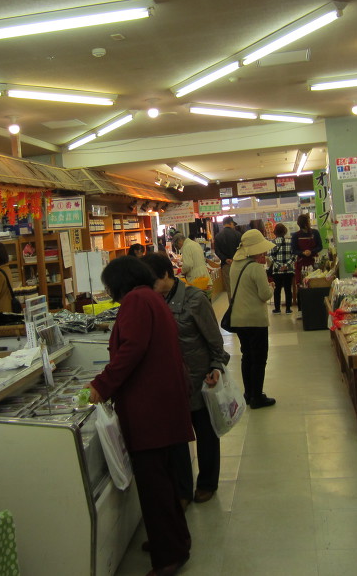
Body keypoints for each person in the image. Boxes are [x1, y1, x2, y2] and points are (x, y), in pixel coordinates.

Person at [87, 256, 193, 576]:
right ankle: (176, 541)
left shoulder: (135, 301)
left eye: (109, 286)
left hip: (149, 409)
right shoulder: (151, 297)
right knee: (165, 481)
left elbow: (131, 349)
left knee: (154, 486)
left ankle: (168, 556)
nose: (110, 293)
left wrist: (101, 385)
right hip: (164, 403)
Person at [140, 252, 230, 505]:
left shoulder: (195, 299)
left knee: (206, 434)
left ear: (166, 274)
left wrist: (216, 367)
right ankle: (182, 490)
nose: (149, 288)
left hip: (198, 378)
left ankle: (207, 483)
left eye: (152, 281)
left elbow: (215, 341)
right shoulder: (152, 302)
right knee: (177, 438)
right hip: (170, 382)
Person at [228, 229, 276, 409]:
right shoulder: (256, 268)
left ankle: (248, 393)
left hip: (238, 319)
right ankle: (257, 397)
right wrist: (271, 287)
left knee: (247, 356)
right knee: (259, 359)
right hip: (255, 320)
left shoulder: (235, 265)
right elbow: (264, 295)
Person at [291, 213, 323, 318]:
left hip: (314, 263)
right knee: (301, 287)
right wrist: (302, 253)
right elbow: (293, 250)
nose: (309, 223)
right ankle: (301, 310)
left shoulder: (315, 233)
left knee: (314, 285)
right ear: (304, 224)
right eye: (308, 221)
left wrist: (311, 251)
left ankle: (315, 309)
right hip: (301, 264)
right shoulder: (295, 236)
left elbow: (320, 246)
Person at [269, 223, 295, 314]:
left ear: (275, 232)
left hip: (277, 271)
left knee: (277, 290)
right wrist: (286, 265)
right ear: (285, 231)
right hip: (289, 270)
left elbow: (270, 256)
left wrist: (279, 266)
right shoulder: (290, 242)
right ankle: (288, 309)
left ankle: (277, 309)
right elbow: (294, 256)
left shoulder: (272, 242)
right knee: (288, 289)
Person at [213, 217, 242, 295]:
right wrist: (234, 259)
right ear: (231, 223)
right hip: (238, 264)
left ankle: (231, 302)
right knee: (239, 286)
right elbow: (241, 249)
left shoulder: (218, 236)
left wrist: (225, 259)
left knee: (229, 288)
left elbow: (217, 251)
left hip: (226, 265)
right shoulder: (238, 234)